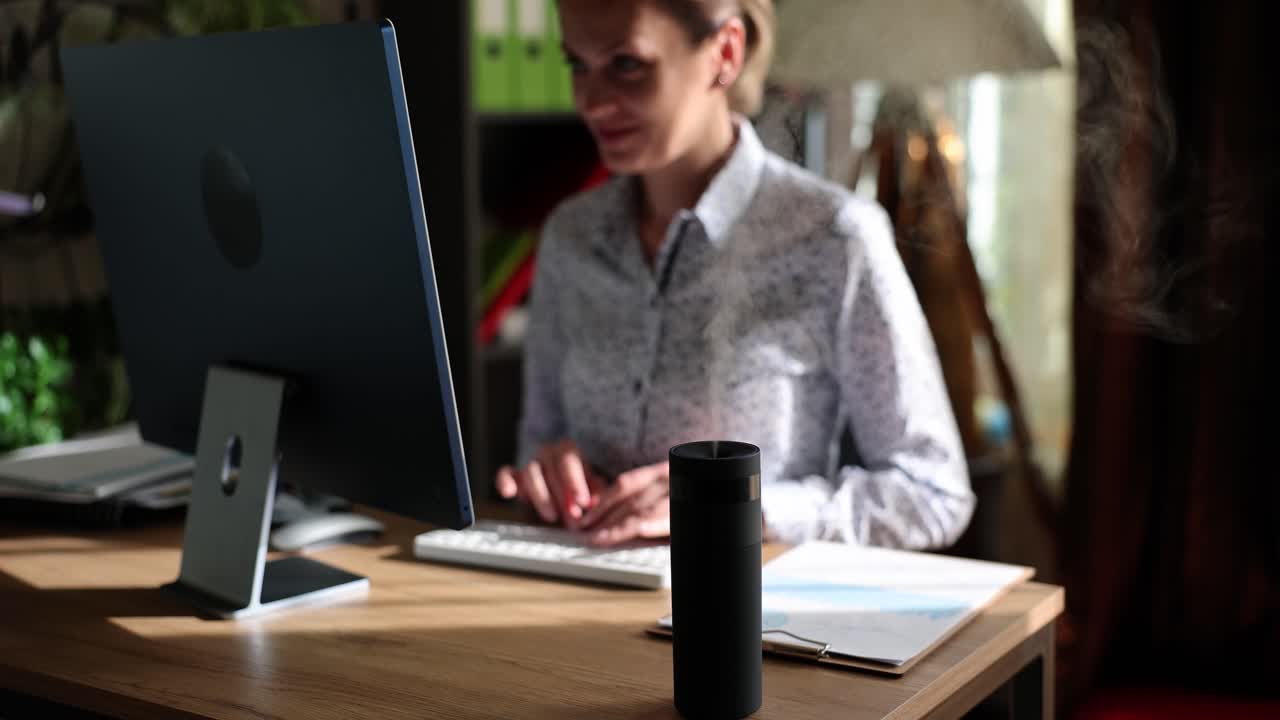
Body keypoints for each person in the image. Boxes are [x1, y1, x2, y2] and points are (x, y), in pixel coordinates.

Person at [495, 0, 974, 550]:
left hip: (748, 611)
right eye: (576, 64)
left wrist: (737, 505)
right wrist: (548, 473)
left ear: (724, 52)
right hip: (569, 598)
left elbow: (933, 494)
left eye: (626, 64)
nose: (591, 100)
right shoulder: (570, 237)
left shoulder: (834, 238)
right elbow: (539, 442)